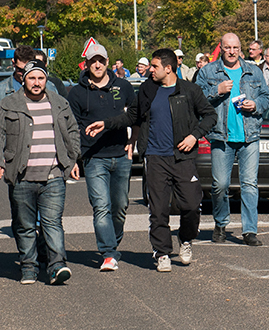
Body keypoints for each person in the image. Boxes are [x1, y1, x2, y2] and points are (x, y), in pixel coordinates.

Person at [86, 49, 216, 272]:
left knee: (192, 205)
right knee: (158, 210)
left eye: (154, 66)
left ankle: (185, 240)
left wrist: (194, 135)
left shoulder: (189, 90)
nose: (150, 70)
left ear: (169, 68)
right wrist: (106, 124)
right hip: (155, 157)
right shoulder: (147, 89)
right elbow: (132, 116)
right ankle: (162, 252)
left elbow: (210, 115)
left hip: (182, 157)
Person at [0, 59, 80, 285]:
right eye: (32, 78)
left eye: (41, 78)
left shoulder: (59, 103)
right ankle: (29, 267)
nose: (36, 83)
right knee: (24, 226)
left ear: (46, 79)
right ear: (23, 79)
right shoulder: (8, 104)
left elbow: (72, 131)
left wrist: (73, 159)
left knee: (52, 222)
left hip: (53, 175)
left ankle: (57, 266)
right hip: (21, 176)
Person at [196, 33, 269, 247]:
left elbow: (266, 97)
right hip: (221, 136)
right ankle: (221, 223)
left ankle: (249, 230)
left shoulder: (253, 71)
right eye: (227, 47)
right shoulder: (208, 71)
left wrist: (255, 104)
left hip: (249, 136)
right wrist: (216, 90)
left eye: (235, 47)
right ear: (221, 48)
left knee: (249, 185)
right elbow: (197, 98)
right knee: (220, 185)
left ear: (240, 49)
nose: (232, 51)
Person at [67, 43, 136, 272]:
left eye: (101, 60)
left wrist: (132, 141)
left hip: (120, 155)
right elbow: (72, 127)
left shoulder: (123, 86)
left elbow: (136, 116)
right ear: (86, 64)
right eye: (92, 61)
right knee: (101, 206)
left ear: (108, 62)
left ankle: (113, 244)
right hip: (93, 157)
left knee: (120, 207)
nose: (97, 65)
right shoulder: (76, 92)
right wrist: (75, 158)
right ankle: (108, 252)